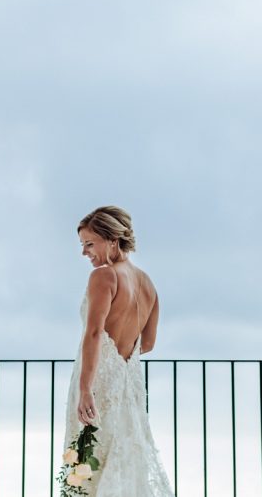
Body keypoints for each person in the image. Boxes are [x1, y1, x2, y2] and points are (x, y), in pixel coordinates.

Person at [62, 205, 176, 496]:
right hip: (128, 385)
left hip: (98, 382)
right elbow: (148, 343)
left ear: (112, 240)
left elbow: (94, 332)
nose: (84, 252)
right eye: (82, 245)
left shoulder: (104, 276)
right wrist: (121, 355)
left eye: (90, 243)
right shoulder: (148, 284)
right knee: (124, 458)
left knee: (89, 463)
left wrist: (86, 387)